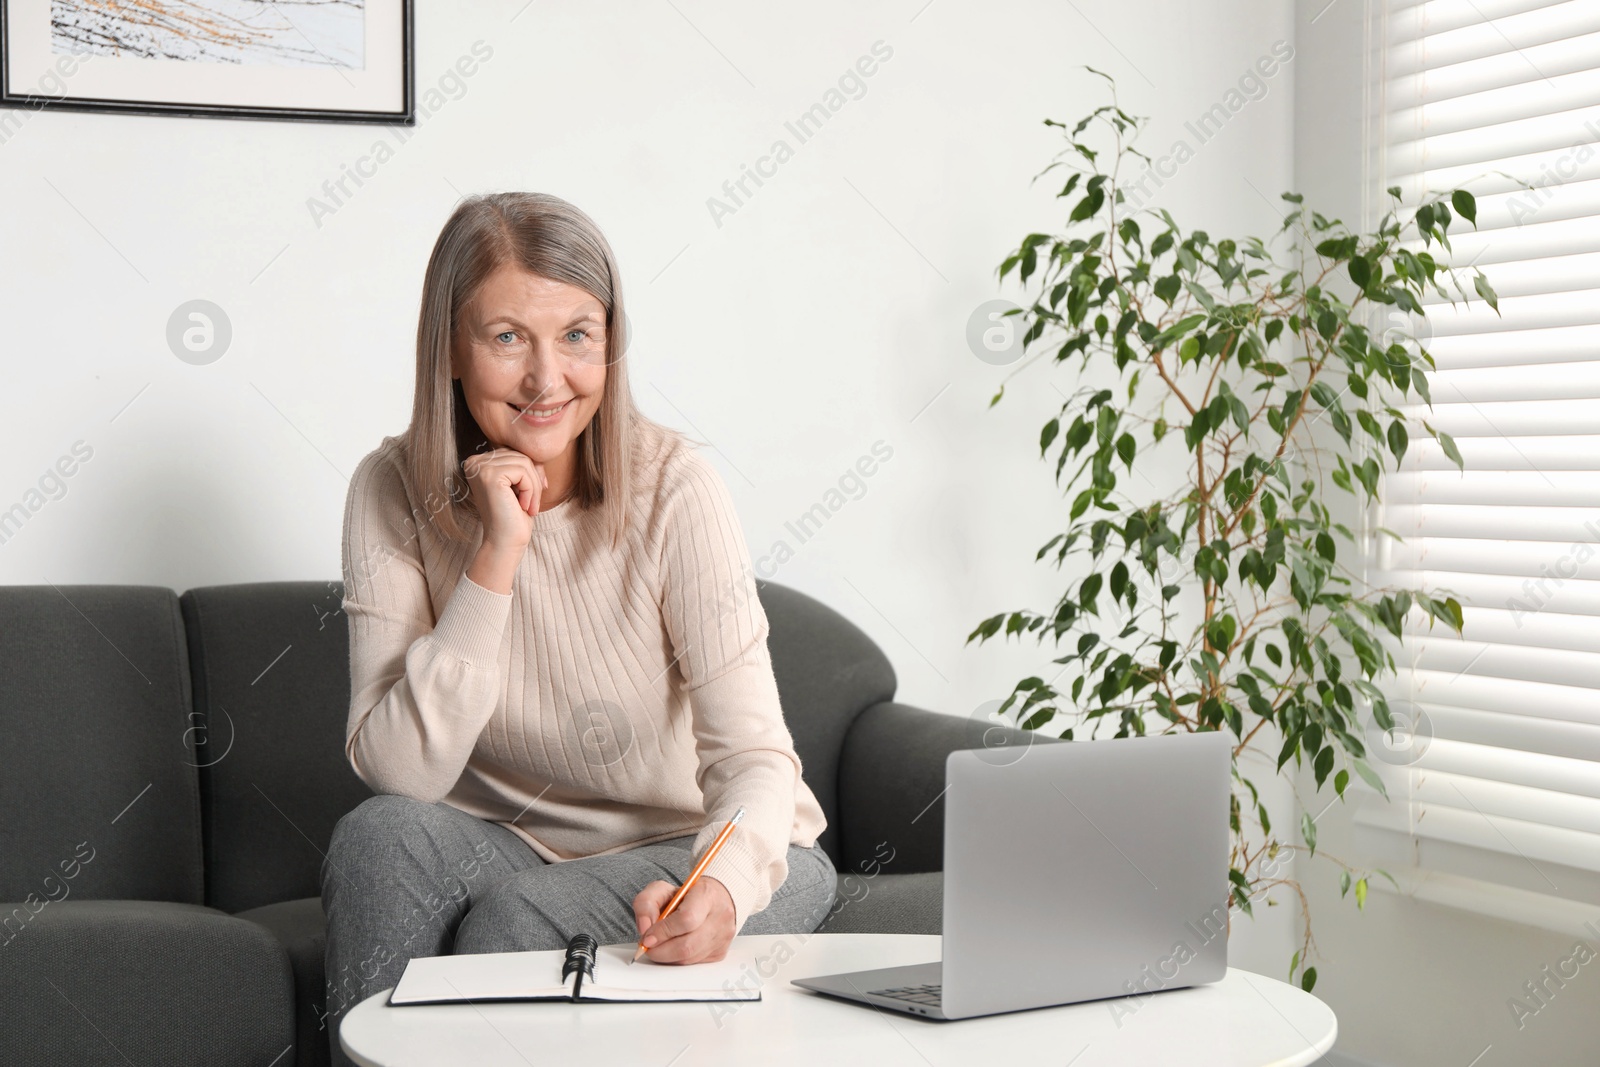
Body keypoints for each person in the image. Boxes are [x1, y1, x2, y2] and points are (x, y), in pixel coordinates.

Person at [320, 192, 835, 1064]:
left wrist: (721, 884)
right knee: (376, 839)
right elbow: (402, 772)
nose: (546, 379)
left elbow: (757, 763)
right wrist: (496, 556)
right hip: (501, 837)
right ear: (450, 343)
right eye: (508, 336)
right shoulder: (390, 489)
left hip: (700, 844)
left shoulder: (676, 488)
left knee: (515, 923)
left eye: (577, 336)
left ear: (610, 343)